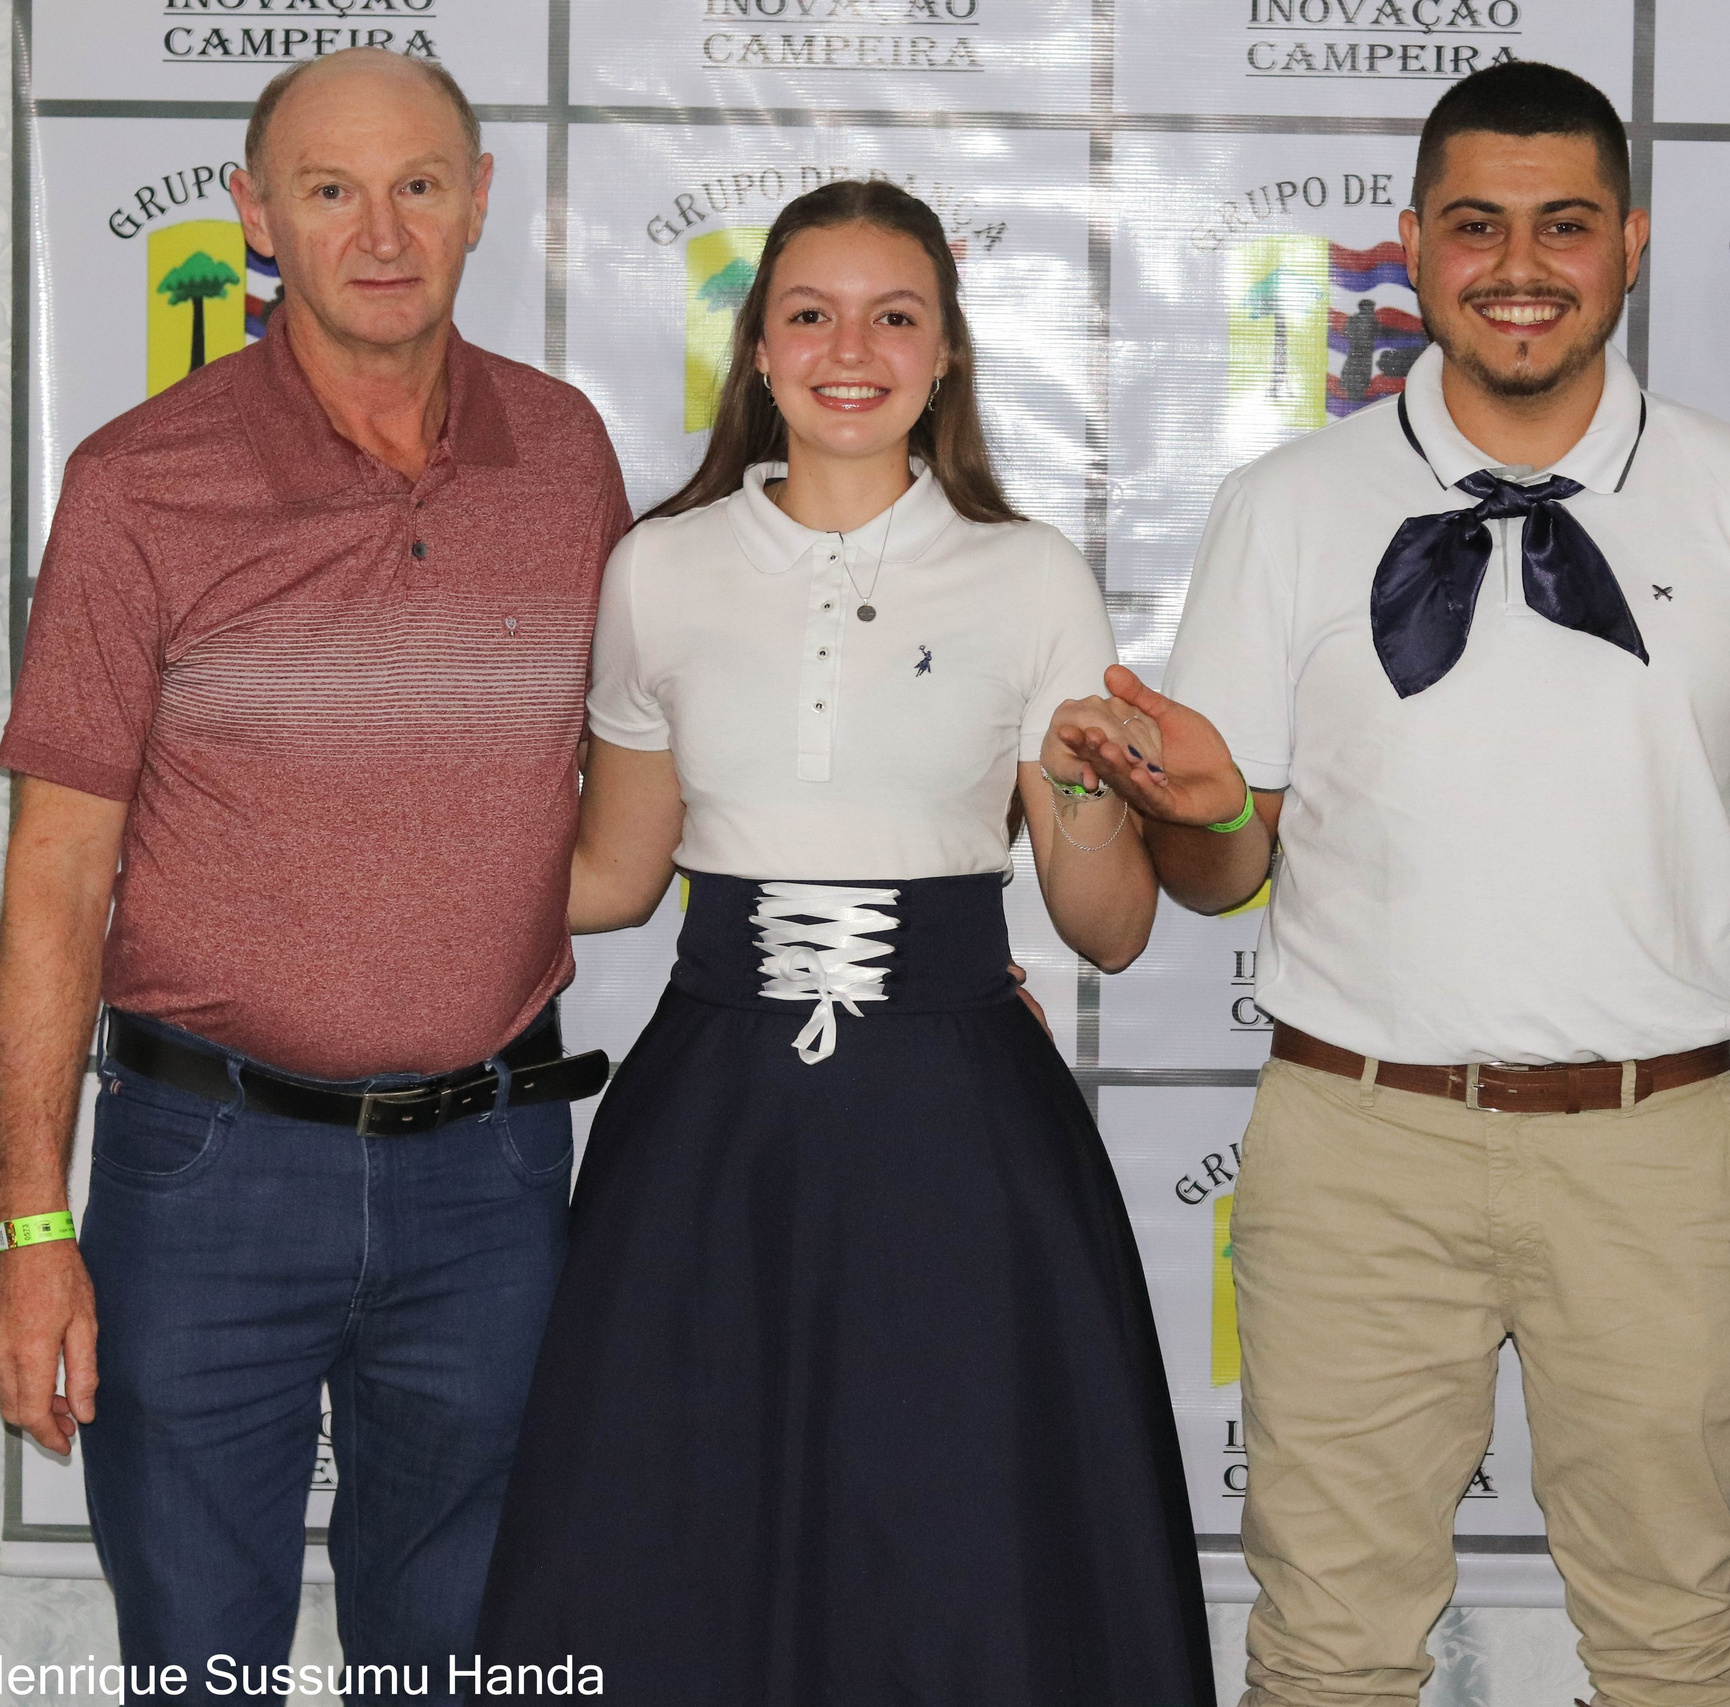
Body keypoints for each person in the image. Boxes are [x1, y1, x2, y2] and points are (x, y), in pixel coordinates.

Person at [1058, 61, 1730, 1707]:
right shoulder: (1285, 507)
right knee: (1330, 1644)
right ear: (1419, 247)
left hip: (1655, 1151)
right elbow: (1224, 871)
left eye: (1566, 224)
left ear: (1633, 243)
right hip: (1356, 1147)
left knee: (1678, 1633)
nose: (1524, 263)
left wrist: (1694, 884)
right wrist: (1205, 817)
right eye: (1479, 225)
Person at [475, 179, 1212, 1704]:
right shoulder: (660, 569)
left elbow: (1109, 927)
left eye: (897, 315)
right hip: (710, 1133)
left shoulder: (1032, 577)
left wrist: (1087, 801)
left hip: (960, 1132)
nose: (851, 347)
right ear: (757, 351)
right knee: (675, 1548)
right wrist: (369, 874)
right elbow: (613, 874)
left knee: (954, 1548)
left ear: (947, 356)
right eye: (810, 313)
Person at [0, 48, 628, 1692]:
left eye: (419, 184)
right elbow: (57, 876)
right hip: (206, 1180)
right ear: (256, 215)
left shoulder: (568, 461)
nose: (382, 229)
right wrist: (30, 1228)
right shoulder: (139, 483)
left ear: (483, 200)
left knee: (461, 1659)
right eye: (331, 190)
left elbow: (660, 776)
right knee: (199, 1667)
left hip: (492, 1182)